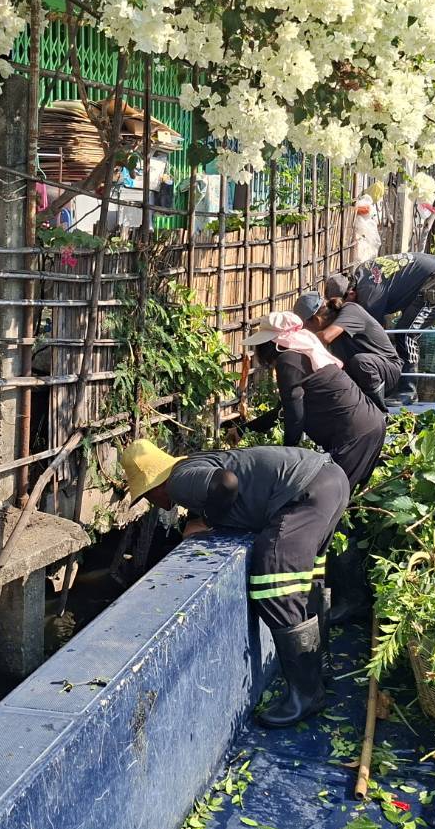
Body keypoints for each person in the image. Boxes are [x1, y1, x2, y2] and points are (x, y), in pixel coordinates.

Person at [125, 439, 349, 728]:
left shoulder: (178, 481)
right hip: (330, 480)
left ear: (155, 485)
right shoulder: (194, 464)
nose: (150, 502)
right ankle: (320, 667)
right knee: (307, 581)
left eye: (146, 495)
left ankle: (306, 695)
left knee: (273, 585)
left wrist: (207, 522)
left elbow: (226, 483)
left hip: (305, 492)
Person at [242, 311, 387, 491]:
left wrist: (287, 455)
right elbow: (283, 411)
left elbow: (294, 416)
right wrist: (242, 430)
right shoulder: (304, 354)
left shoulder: (288, 361)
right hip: (370, 425)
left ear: (271, 344)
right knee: (342, 496)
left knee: (329, 497)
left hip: (353, 435)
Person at [323, 252, 435, 383]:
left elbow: (375, 336)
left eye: (340, 305)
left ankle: (407, 390)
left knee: (406, 333)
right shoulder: (362, 273)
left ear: (351, 293)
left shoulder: (369, 297)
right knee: (404, 328)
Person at [292, 290, 401, 412]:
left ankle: (379, 411)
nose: (306, 331)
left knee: (361, 362)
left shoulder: (350, 310)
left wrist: (295, 340)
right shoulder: (326, 329)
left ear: (316, 320)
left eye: (305, 327)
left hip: (387, 370)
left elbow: (326, 337)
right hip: (361, 374)